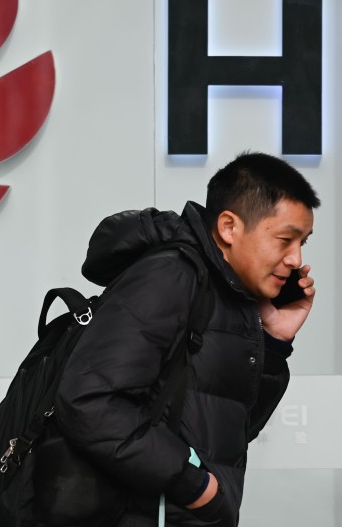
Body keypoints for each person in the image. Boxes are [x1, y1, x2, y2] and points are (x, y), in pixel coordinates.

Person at [54, 151, 320, 526]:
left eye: (302, 242)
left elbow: (226, 426)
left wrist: (274, 342)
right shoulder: (171, 276)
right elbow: (88, 400)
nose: (295, 259)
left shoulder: (228, 295)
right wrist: (195, 485)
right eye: (284, 240)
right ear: (229, 227)